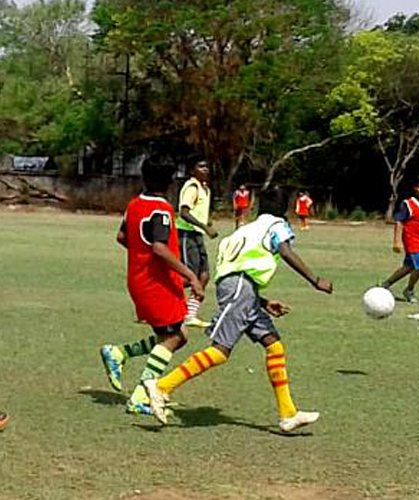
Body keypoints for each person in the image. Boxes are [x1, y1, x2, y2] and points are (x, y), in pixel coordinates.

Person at [144, 185, 333, 433]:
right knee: (220, 351)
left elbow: (233, 272)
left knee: (274, 345)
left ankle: (288, 414)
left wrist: (261, 301)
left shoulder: (243, 231)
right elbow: (285, 250)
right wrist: (315, 280)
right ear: (285, 209)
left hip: (241, 289)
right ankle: (162, 386)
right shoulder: (277, 224)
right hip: (241, 289)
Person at [100, 157, 204, 415]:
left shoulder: (134, 204)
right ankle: (140, 397)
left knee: (177, 335)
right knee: (174, 337)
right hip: (155, 283)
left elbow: (122, 236)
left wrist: (141, 255)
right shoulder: (162, 209)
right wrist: (190, 275)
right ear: (170, 182)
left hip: (141, 279)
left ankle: (119, 354)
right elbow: (159, 247)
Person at [177, 160, 218, 328]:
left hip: (197, 234)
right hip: (186, 233)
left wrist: (206, 223)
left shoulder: (205, 188)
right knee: (189, 277)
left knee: (204, 276)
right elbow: (184, 212)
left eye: (207, 166)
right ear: (192, 170)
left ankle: (190, 315)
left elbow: (199, 211)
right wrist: (205, 227)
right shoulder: (192, 187)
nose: (205, 169)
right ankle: (155, 302)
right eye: (201, 167)